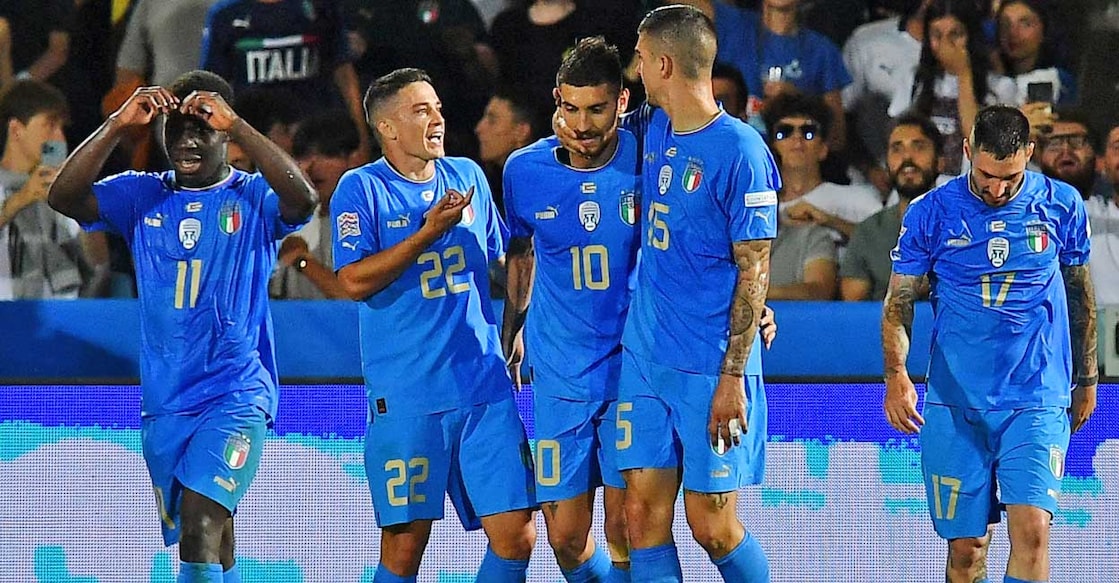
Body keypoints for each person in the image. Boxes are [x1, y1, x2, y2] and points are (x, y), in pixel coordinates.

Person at [46, 70, 317, 583]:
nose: (188, 140)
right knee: (216, 539)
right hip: (166, 401)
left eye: (203, 128)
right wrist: (116, 125)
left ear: (223, 134)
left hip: (236, 394)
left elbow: (303, 200)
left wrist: (239, 125)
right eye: (176, 129)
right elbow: (63, 197)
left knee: (200, 522)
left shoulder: (254, 197)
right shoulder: (139, 195)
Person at [566, 6, 780, 581]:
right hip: (645, 355)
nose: (634, 69)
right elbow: (591, 140)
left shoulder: (741, 151)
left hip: (710, 366)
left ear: (662, 62)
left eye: (638, 57)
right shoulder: (651, 127)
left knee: (711, 526)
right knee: (640, 517)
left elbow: (754, 266)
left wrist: (734, 375)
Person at [331, 67, 536, 583]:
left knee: (517, 535)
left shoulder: (467, 176)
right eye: (422, 110)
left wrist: (514, 330)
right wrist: (425, 235)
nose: (439, 119)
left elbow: (511, 253)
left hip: (483, 387)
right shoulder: (360, 190)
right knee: (405, 548)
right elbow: (353, 281)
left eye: (439, 107)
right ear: (388, 128)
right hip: (408, 397)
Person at [882, 105, 1098, 583]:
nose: (997, 189)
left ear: (1030, 154)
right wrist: (896, 375)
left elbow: (1081, 292)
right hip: (957, 402)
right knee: (967, 548)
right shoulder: (931, 214)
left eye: (1010, 176)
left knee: (1033, 531)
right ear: (965, 152)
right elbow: (899, 299)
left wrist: (1088, 377)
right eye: (985, 175)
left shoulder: (1062, 206)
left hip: (1036, 395)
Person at [503, 36, 638, 583]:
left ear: (622, 103)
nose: (582, 125)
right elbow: (520, 252)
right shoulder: (523, 170)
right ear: (556, 100)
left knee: (628, 523)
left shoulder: (650, 156)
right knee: (565, 538)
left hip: (635, 363)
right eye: (570, 108)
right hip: (559, 368)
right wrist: (513, 328)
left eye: (597, 110)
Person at [840, 113, 942, 301]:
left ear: (941, 160)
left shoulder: (965, 225)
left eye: (918, 147)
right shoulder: (869, 231)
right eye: (897, 149)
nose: (907, 157)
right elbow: (853, 308)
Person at [270, 109, 361, 299]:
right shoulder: (291, 221)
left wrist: (302, 260)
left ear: (353, 159)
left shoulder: (369, 220)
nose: (312, 165)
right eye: (304, 156)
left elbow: (353, 299)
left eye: (326, 154)